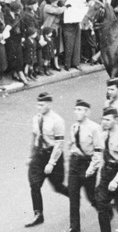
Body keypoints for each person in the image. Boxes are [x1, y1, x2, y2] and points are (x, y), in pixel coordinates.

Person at [25, 92, 68, 228]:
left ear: (49, 104)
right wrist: (31, 155)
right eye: (38, 105)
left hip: (52, 155)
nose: (39, 107)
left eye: (42, 105)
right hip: (39, 155)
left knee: (58, 186)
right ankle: (38, 214)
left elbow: (59, 145)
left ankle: (74, 197)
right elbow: (35, 137)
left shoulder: (57, 121)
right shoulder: (36, 118)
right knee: (34, 184)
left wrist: (51, 163)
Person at [68, 99, 102, 232]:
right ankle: (74, 227)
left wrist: (91, 168)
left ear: (87, 112)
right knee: (73, 195)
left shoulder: (94, 128)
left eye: (80, 110)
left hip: (88, 164)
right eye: (75, 109)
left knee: (91, 195)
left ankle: (106, 211)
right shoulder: (74, 127)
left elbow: (98, 151)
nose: (76, 112)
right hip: (75, 164)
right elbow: (73, 145)